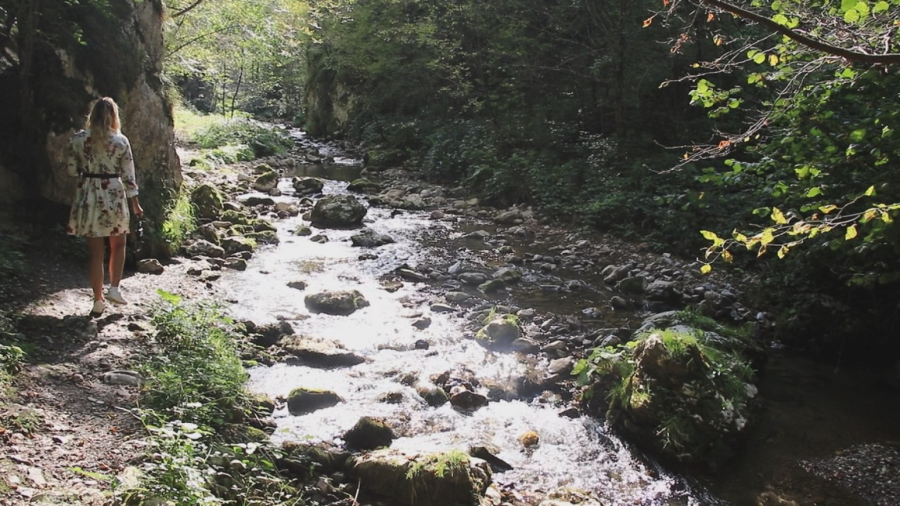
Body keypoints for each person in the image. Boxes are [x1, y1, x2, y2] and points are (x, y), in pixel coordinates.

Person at [66, 97, 143, 317]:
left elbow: (71, 171)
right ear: (114, 116)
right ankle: (114, 289)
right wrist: (135, 204)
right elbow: (129, 176)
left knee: (95, 253)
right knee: (118, 245)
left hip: (88, 192)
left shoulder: (78, 139)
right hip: (113, 193)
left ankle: (97, 300)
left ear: (93, 114)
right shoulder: (120, 141)